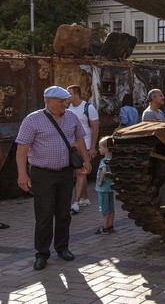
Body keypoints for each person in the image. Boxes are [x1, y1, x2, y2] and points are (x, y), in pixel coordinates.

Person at [16, 86, 92, 270]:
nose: (65, 104)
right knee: (44, 216)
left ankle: (62, 248)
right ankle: (42, 253)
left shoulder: (71, 117)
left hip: (66, 173)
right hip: (43, 174)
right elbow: (22, 149)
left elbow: (80, 140)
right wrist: (22, 174)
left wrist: (87, 160)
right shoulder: (32, 120)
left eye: (66, 100)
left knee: (64, 214)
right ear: (48, 101)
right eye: (61, 101)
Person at [67, 85, 99, 214]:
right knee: (80, 172)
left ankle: (76, 202)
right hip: (72, 144)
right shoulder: (68, 107)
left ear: (76, 95)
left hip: (85, 144)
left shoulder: (88, 108)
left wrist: (92, 147)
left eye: (69, 94)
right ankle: (84, 198)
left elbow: (95, 127)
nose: (67, 96)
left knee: (80, 172)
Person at [94, 136, 115, 235]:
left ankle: (105, 227)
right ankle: (111, 225)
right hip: (110, 187)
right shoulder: (111, 159)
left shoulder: (103, 161)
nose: (99, 149)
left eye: (100, 147)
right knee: (111, 207)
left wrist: (100, 181)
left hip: (103, 188)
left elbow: (103, 171)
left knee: (104, 208)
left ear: (106, 148)